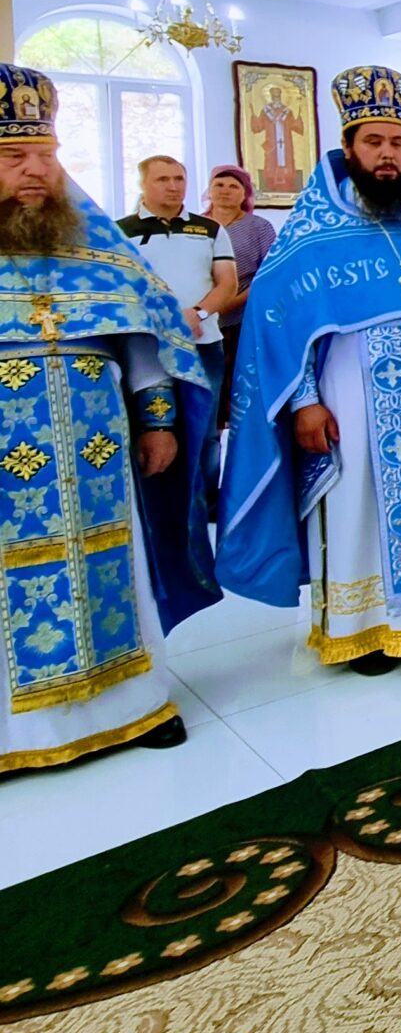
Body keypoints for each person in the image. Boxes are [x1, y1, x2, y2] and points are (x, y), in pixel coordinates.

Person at [218, 64, 401, 673]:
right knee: (360, 500)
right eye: (374, 142)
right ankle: (364, 625)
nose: (387, 155)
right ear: (348, 147)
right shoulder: (314, 228)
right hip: (351, 394)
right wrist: (304, 401)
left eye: (397, 143)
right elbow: (282, 324)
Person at [0, 67, 219, 772]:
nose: (36, 170)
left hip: (96, 449)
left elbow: (144, 342)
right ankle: (17, 735)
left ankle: (132, 705)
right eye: (15, 156)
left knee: (113, 564)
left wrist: (157, 422)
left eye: (46, 154)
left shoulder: (94, 250)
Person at [119, 156, 238, 513]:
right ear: (143, 184)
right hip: (147, 348)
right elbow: (118, 288)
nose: (173, 186)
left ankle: (206, 506)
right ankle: (156, 506)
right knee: (150, 425)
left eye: (179, 179)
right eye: (162, 179)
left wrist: (198, 313)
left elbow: (227, 283)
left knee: (205, 428)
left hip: (202, 344)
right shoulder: (120, 231)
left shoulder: (210, 229)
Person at [205, 165, 276, 425]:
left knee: (236, 385)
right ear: (209, 190)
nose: (225, 191)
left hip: (241, 319)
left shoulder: (259, 227)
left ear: (245, 193)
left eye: (233, 186)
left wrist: (230, 302)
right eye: (219, 185)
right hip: (200, 319)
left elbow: (269, 274)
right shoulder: (196, 226)